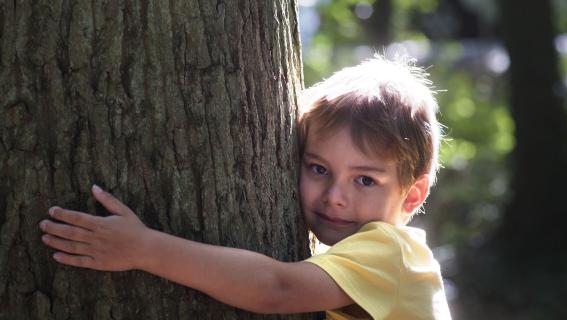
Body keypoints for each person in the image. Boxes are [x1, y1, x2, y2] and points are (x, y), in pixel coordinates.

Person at [39, 56, 451, 320]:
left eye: (364, 180)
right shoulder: (364, 253)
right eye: (318, 169)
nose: (334, 196)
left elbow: (275, 289)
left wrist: (144, 249)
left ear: (412, 195)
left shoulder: (390, 252)